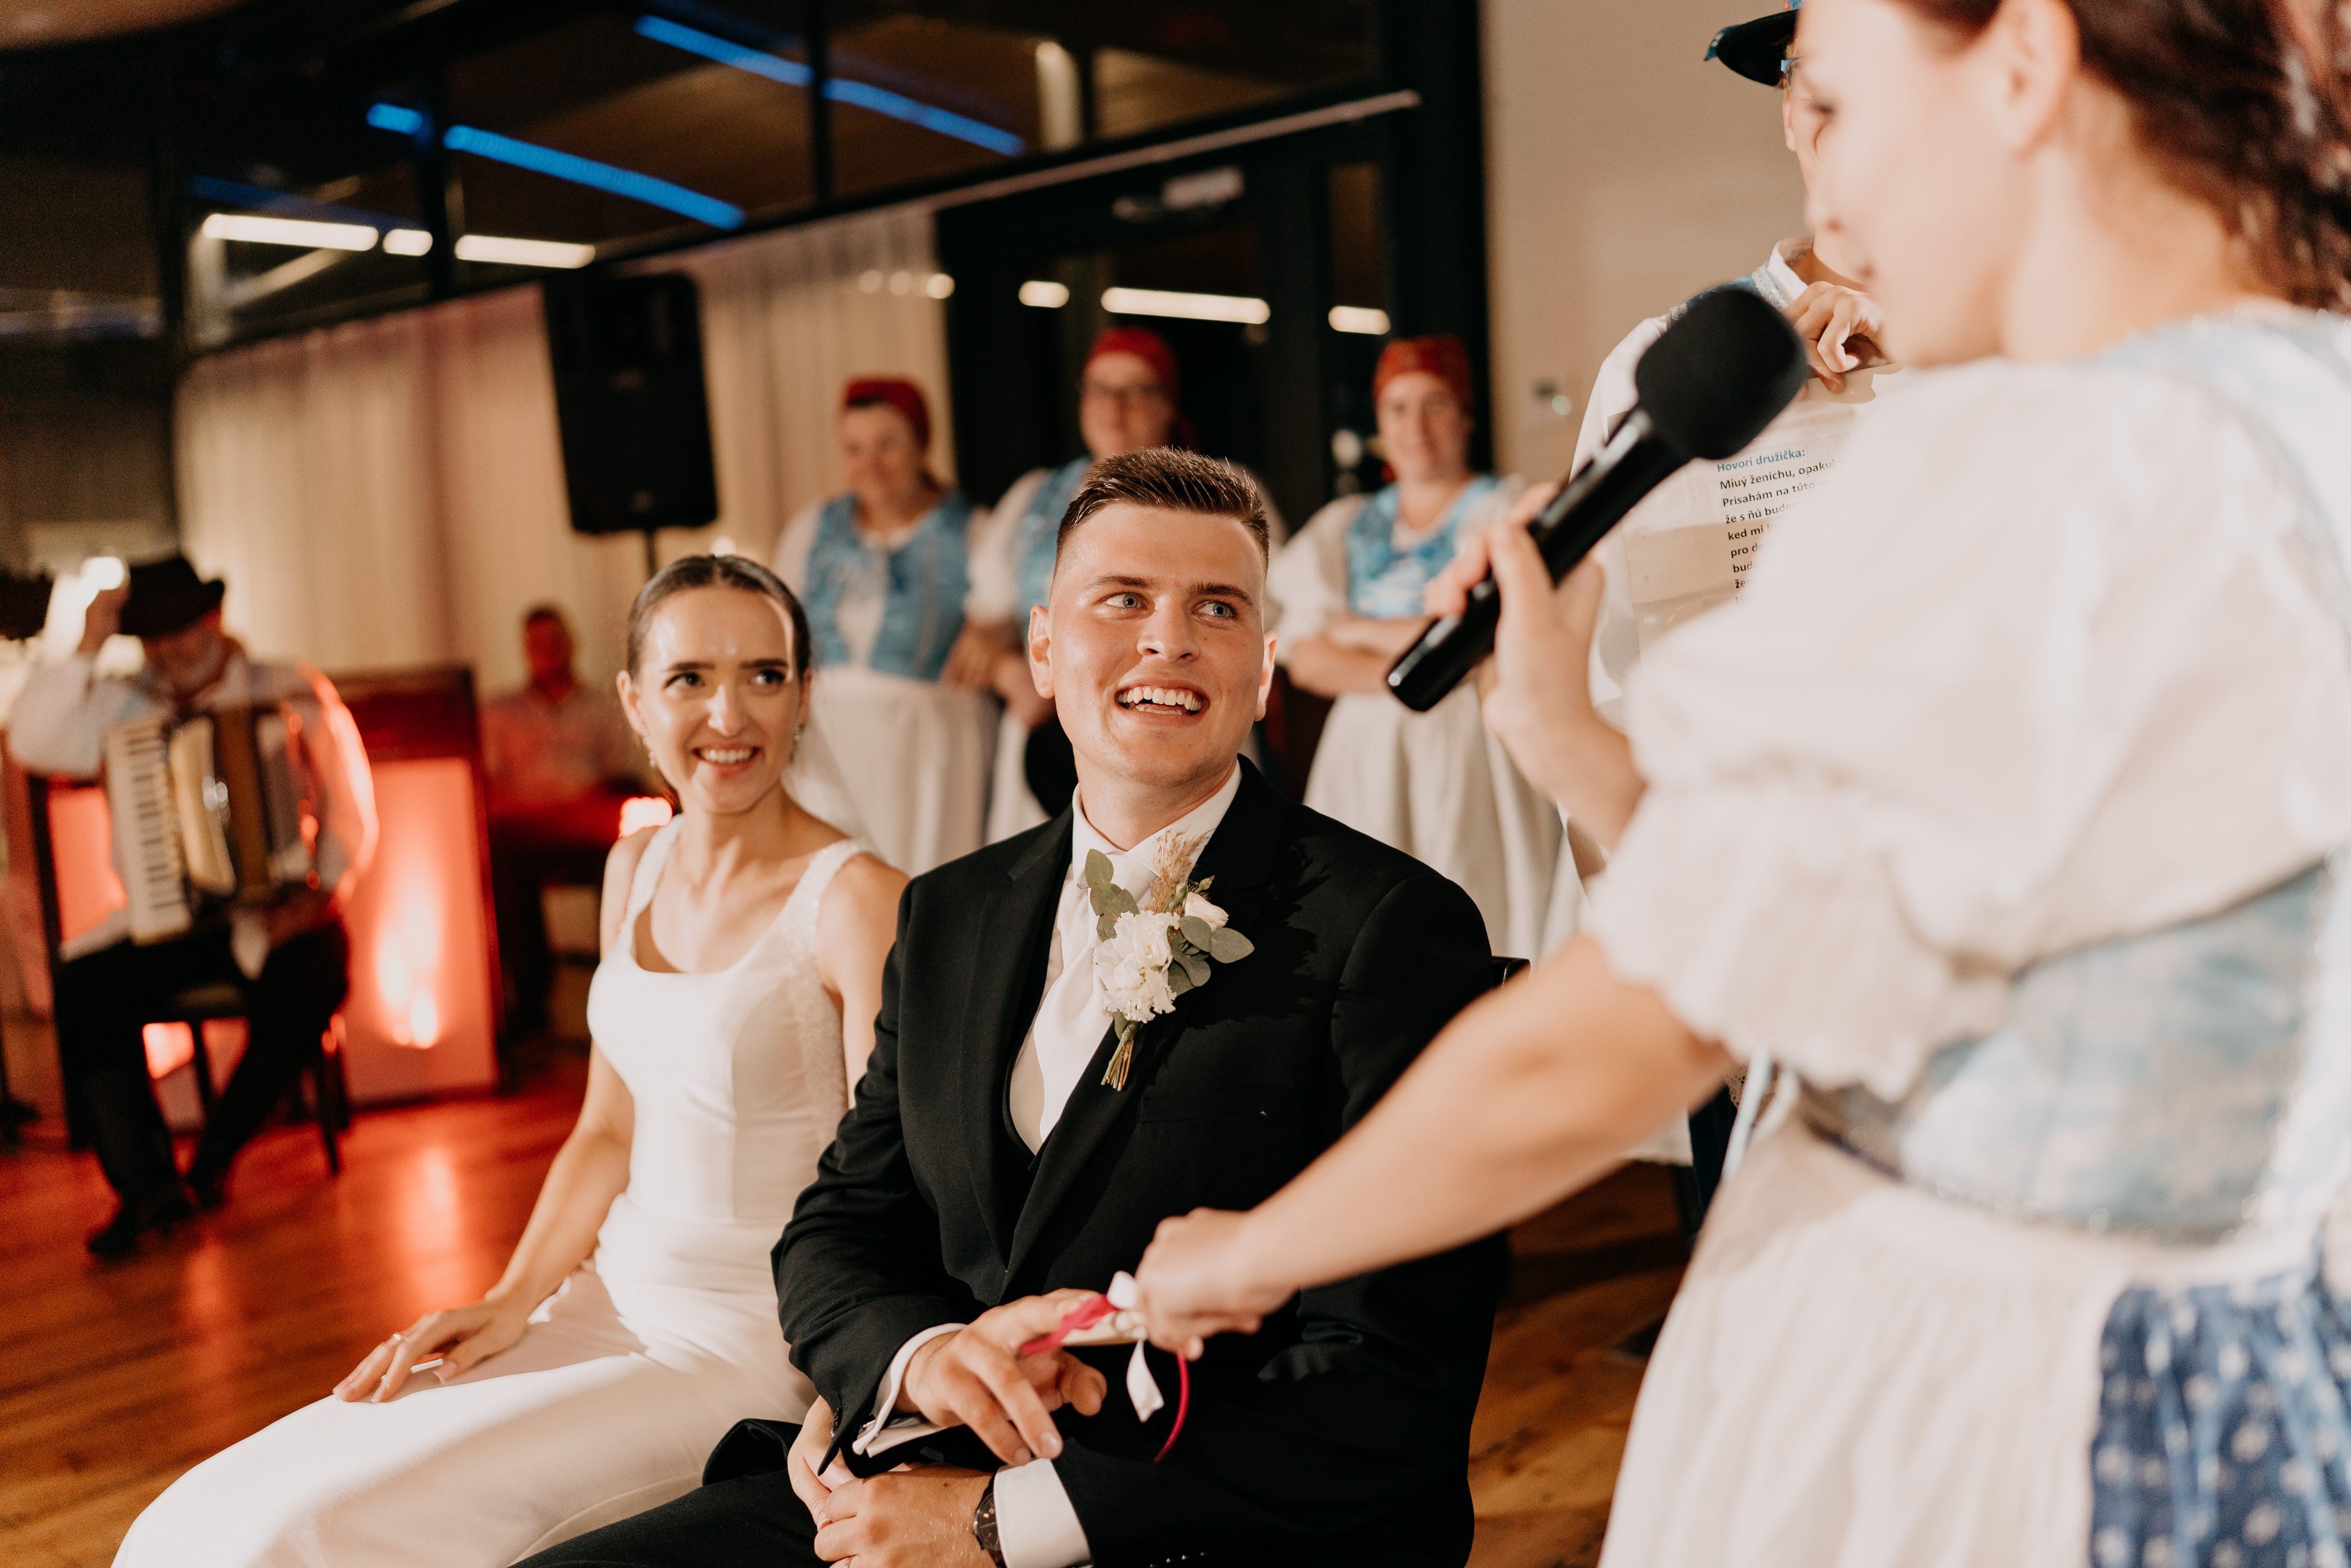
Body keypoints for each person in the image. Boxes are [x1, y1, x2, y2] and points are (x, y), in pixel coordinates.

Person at [1132, 1, 2351, 1564]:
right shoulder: (2301, 403)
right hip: (2232, 1376)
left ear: (2025, 66)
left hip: (1986, 1410)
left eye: (1844, 104)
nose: (1824, 188)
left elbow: (1615, 1040)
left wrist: (1256, 1247)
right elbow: (1885, 915)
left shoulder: (2043, 475)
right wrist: (1562, 729)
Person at [522, 449, 1503, 1568]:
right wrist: (919, 1362)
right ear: (1042, 648)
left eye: (1217, 608)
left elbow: (1394, 1372)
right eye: (1122, 599)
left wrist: (999, 1524)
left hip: (1190, 1527)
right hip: (911, 1474)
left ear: (1266, 665)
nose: (1168, 639)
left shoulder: (1390, 927)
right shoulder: (949, 913)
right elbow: (840, 1228)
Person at [115, 556, 906, 1566]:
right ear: (634, 701)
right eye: (689, 678)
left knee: (308, 1535)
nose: (729, 714)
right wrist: (511, 1298)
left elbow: (896, 1185)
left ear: (804, 694)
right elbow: (608, 1129)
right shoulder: (637, 866)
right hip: (601, 1303)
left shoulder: (859, 900)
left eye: (764, 675)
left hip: (750, 1346)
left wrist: (859, 1378)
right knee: (202, 1516)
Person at [8, 554, 377, 1256]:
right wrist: (87, 644)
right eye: (150, 635)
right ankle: (150, 1191)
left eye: (178, 629)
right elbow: (30, 740)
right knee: (85, 989)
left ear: (213, 619)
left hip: (271, 917)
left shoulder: (288, 686)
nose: (166, 649)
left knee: (316, 975)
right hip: (168, 922)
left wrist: (321, 897)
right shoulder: (120, 705)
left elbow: (348, 810)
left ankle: (213, 1160)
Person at [1582, 0, 1899, 724]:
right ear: (1789, 113)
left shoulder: (2029, 364)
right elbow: (1609, 669)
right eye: (1822, 75)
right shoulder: (1660, 369)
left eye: (1890, 72)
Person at [1269, 335, 1560, 958]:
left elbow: (1486, 633)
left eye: (1436, 404)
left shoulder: (1504, 509)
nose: (1416, 426)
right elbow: (1308, 658)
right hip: (1366, 752)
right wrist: (1426, 660)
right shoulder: (1345, 524)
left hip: (1473, 744)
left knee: (1476, 905)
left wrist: (1351, 627)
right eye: (1398, 408)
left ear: (1466, 415)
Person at [955, 327, 1284, 842]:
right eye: (1100, 390)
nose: (1115, 407)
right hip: (1050, 729)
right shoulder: (1033, 497)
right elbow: (982, 629)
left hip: (1180, 708)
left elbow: (1265, 615)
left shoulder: (1223, 498)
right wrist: (1017, 672)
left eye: (1136, 390)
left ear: (1168, 403)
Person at [771, 377, 993, 876]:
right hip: (829, 741)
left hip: (925, 747)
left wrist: (992, 636)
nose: (870, 463)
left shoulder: (971, 529)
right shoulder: (814, 527)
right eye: (855, 449)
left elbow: (1005, 619)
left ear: (921, 443)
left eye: (887, 445)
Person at [483, 603, 645, 1038]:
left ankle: (619, 984)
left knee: (625, 862)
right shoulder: (500, 712)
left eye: (554, 640)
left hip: (590, 829)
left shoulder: (603, 708)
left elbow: (620, 776)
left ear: (572, 642)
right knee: (502, 869)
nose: (547, 650)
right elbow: (489, 785)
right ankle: (531, 998)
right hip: (528, 834)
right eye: (537, 642)